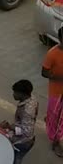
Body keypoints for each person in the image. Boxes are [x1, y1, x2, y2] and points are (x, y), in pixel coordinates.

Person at [0, 80, 38, 164]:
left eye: (15, 92)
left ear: (22, 94)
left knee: (15, 159)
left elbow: (27, 132)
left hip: (23, 142)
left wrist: (9, 127)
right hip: (25, 136)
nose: (13, 94)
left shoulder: (27, 111)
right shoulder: (32, 97)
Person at [42, 26, 63, 157]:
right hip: (55, 92)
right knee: (54, 116)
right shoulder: (52, 53)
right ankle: (55, 141)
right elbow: (44, 72)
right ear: (60, 39)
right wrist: (59, 78)